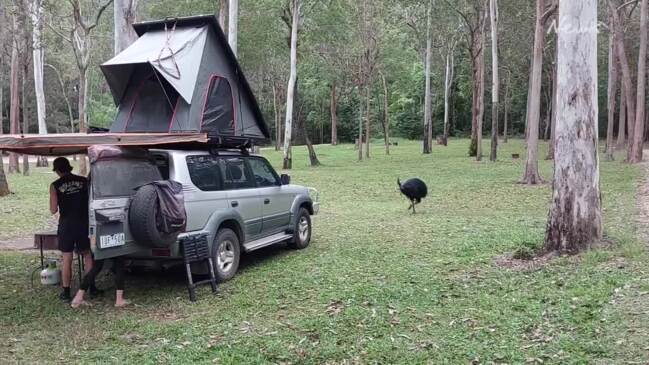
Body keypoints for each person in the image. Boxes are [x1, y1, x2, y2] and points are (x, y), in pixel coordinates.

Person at [50, 157, 100, 301]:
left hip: (67, 225)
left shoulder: (55, 185)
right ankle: (91, 287)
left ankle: (66, 293)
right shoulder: (84, 181)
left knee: (67, 257)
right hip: (84, 223)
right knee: (88, 255)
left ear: (58, 170)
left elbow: (53, 210)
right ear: (69, 167)